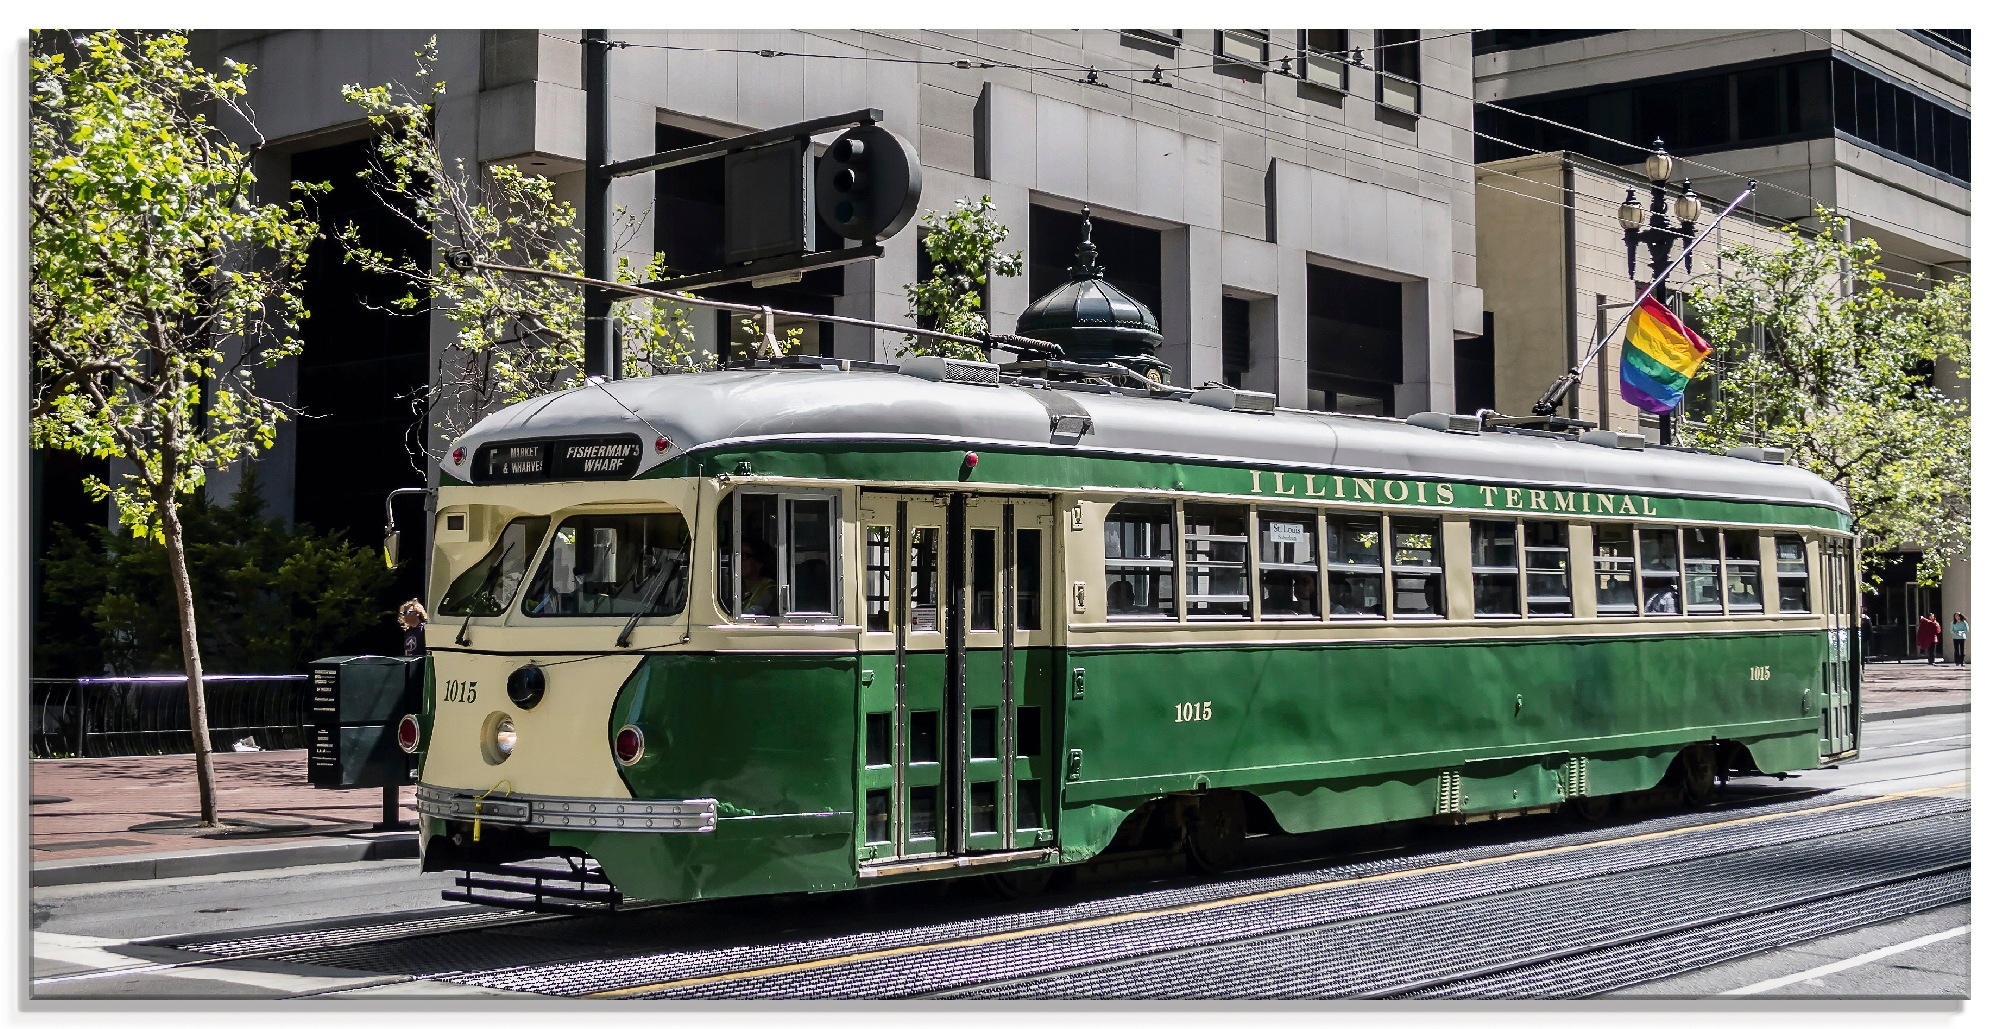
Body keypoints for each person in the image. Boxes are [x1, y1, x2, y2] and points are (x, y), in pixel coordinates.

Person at [739, 541, 777, 616]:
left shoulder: (770, 589)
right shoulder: (740, 589)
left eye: (744, 556)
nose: (738, 561)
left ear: (759, 562)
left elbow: (751, 614)